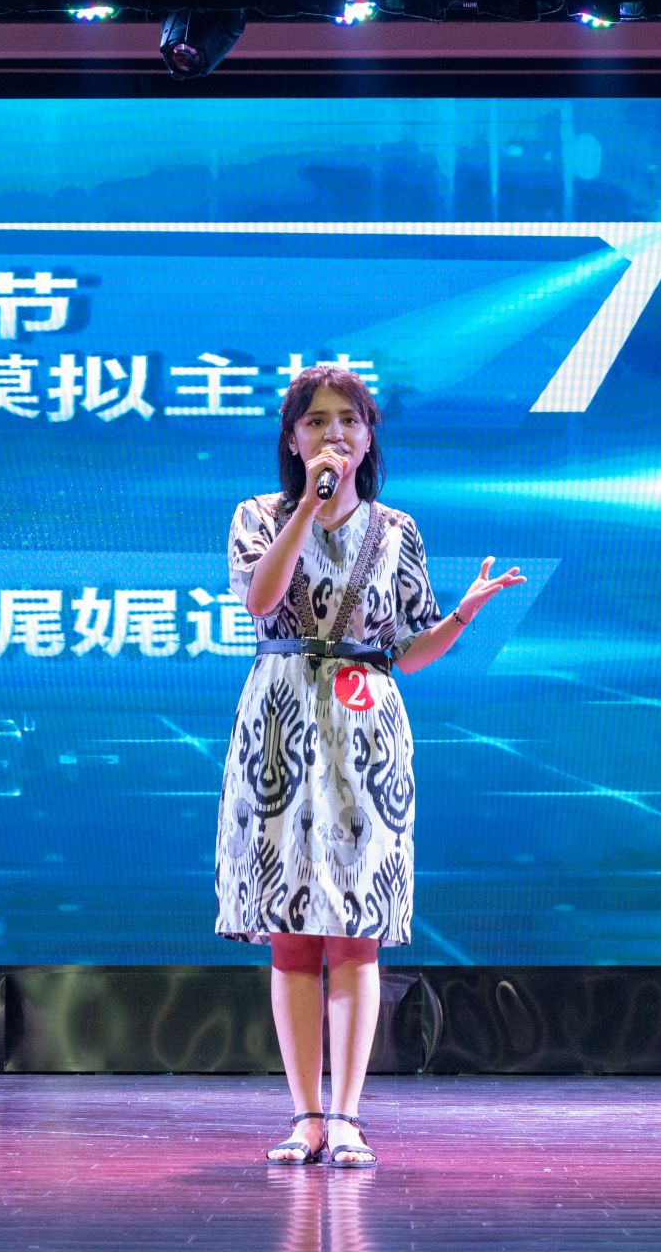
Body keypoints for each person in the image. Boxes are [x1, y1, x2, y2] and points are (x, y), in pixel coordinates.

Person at [216, 364, 527, 1168]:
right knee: (292, 935)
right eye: (317, 421)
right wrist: (306, 510)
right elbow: (260, 599)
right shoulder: (257, 515)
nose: (334, 434)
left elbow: (408, 649)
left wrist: (461, 615)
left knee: (355, 932)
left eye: (349, 420)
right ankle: (305, 1116)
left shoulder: (397, 531)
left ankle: (348, 1116)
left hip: (367, 734)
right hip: (280, 724)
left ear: (368, 435)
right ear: (293, 439)